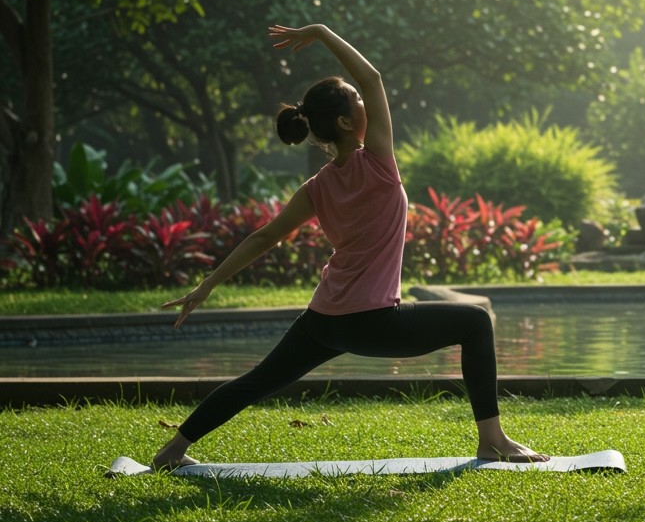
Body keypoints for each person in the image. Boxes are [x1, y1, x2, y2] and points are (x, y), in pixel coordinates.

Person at [153, 24, 543, 469]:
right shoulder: (378, 162)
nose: (366, 102)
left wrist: (205, 287)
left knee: (258, 380)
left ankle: (172, 451)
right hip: (374, 320)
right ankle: (492, 440)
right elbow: (373, 78)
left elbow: (264, 237)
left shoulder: (316, 188)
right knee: (475, 323)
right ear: (344, 121)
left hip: (324, 319)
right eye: (357, 102)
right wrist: (320, 33)